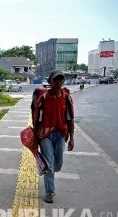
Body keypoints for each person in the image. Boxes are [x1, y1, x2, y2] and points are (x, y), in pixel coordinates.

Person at [32, 70, 75, 203]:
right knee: (50, 165)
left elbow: (70, 119)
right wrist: (35, 139)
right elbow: (37, 121)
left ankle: (47, 171)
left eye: (61, 79)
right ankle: (50, 192)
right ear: (49, 81)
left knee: (58, 163)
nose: (58, 82)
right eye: (55, 80)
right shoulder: (43, 99)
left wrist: (72, 137)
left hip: (61, 134)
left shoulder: (67, 98)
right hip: (45, 135)